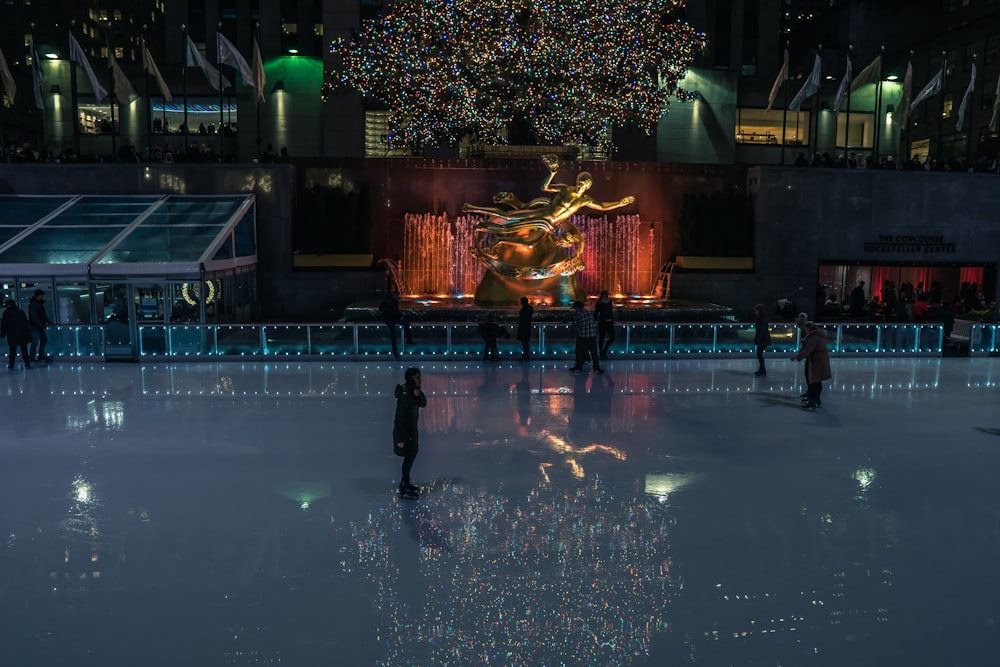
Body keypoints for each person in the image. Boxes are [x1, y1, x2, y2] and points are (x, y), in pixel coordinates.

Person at [393, 367, 426, 499]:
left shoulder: (413, 391)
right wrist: (399, 438)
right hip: (406, 433)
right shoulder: (405, 393)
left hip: (412, 430)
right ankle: (404, 484)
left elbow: (423, 404)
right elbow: (399, 417)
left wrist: (420, 394)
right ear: (411, 378)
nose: (420, 380)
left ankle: (405, 482)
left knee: (412, 455)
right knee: (409, 456)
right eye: (418, 377)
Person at [792, 321, 832, 410]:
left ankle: (814, 400)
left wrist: (798, 357)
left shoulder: (813, 337)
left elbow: (808, 349)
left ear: (809, 329)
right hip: (818, 360)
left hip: (817, 360)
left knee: (815, 380)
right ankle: (815, 399)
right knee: (816, 380)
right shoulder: (816, 336)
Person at [569, 301, 603, 374]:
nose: (575, 310)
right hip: (592, 336)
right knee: (594, 353)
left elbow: (574, 325)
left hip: (583, 336)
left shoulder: (579, 314)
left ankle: (579, 366)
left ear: (577, 307)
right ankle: (596, 367)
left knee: (579, 351)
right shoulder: (589, 312)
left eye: (575, 308)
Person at [378, 290, 413, 358]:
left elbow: (395, 311)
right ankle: (395, 352)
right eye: (397, 296)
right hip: (388, 319)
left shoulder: (394, 301)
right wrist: (400, 316)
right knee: (393, 333)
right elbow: (389, 312)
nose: (398, 297)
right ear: (394, 296)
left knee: (406, 323)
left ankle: (408, 340)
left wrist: (400, 316)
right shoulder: (388, 302)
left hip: (393, 318)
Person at [1, 298, 32, 370]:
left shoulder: (7, 312)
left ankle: (11, 365)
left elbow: (4, 324)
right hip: (22, 334)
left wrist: (3, 334)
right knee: (24, 350)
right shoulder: (20, 311)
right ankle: (27, 364)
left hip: (12, 334)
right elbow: (25, 322)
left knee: (12, 350)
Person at [28, 289, 53, 362]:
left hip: (39, 326)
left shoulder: (39, 304)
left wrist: (48, 321)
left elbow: (42, 315)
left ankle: (40, 355)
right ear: (37, 296)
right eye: (41, 295)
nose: (42, 297)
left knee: (43, 340)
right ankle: (33, 356)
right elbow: (34, 317)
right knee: (35, 341)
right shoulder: (34, 305)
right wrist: (41, 324)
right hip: (35, 327)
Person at [594, 290, 616, 360]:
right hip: (602, 322)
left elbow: (610, 311)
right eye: (605, 294)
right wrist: (594, 320)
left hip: (610, 322)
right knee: (601, 338)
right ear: (602, 295)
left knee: (612, 337)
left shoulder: (610, 302)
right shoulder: (599, 303)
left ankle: (604, 351)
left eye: (607, 294)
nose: (606, 296)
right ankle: (601, 353)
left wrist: (612, 319)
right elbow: (596, 312)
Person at [753, 303, 772, 377]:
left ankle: (762, 370)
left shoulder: (762, 318)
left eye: (756, 310)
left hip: (763, 339)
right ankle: (762, 370)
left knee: (759, 354)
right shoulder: (761, 318)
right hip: (763, 339)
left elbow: (762, 330)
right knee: (759, 354)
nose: (755, 312)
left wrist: (758, 339)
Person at [516, 296, 533, 361]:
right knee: (525, 342)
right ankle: (526, 355)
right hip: (526, 328)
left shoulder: (525, 309)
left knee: (524, 342)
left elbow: (522, 317)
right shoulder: (529, 308)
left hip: (524, 328)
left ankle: (526, 356)